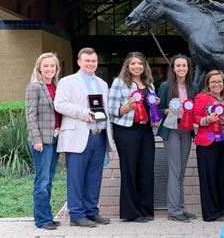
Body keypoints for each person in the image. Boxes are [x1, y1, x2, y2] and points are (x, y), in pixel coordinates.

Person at [54, 47, 115, 228]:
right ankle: (77, 214)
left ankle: (92, 211)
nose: (91, 64)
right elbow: (60, 104)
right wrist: (83, 113)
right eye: (87, 61)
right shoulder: (68, 81)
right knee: (76, 177)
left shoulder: (103, 84)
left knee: (94, 177)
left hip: (99, 135)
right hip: (78, 135)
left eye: (93, 61)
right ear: (79, 62)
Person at [107, 52, 159, 223]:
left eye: (140, 63)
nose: (137, 66)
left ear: (144, 66)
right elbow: (111, 110)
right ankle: (132, 212)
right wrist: (128, 106)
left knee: (146, 170)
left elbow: (151, 110)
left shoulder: (149, 85)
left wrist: (154, 105)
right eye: (133, 63)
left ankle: (145, 210)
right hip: (126, 132)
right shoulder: (119, 83)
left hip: (146, 131)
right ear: (127, 66)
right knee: (130, 171)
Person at [157, 54, 199, 223]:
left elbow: (195, 109)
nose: (182, 68)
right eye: (178, 66)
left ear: (188, 68)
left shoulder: (193, 87)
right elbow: (159, 109)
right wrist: (171, 110)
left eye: (185, 66)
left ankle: (180, 208)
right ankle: (173, 210)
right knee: (175, 170)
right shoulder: (166, 86)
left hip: (187, 130)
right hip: (172, 128)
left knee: (181, 171)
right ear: (173, 68)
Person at [25, 52, 62, 230]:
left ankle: (44, 216)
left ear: (56, 68)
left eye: (52, 66)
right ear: (39, 67)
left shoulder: (57, 86)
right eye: (45, 66)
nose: (49, 69)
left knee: (49, 179)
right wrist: (36, 139)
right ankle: (42, 220)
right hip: (41, 141)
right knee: (43, 180)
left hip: (55, 139)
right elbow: (30, 115)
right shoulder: (35, 87)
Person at [193, 70, 224, 222]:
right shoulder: (201, 97)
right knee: (208, 177)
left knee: (220, 177)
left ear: (223, 83)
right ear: (208, 84)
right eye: (213, 82)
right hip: (207, 142)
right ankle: (210, 214)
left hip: (223, 142)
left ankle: (221, 211)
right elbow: (196, 117)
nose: (216, 84)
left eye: (219, 81)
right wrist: (207, 120)